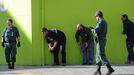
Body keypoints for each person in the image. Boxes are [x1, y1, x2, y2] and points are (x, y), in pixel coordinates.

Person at [91, 11, 114, 75]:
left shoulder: (102, 22)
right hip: (99, 40)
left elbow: (97, 30)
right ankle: (98, 70)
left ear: (98, 16)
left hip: (101, 40)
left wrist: (92, 30)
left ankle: (110, 69)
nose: (96, 18)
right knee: (98, 55)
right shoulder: (102, 21)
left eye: (96, 17)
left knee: (101, 54)